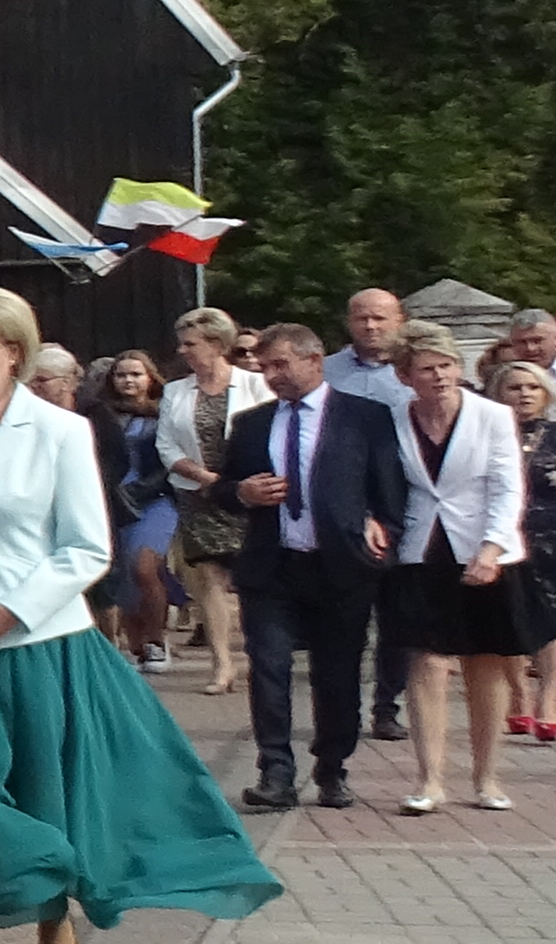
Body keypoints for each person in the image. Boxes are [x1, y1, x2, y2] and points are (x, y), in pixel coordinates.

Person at [0, 289, 280, 944]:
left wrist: (11, 610)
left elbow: (85, 548)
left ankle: (53, 919)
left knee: (41, 786)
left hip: (31, 634)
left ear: (16, 352)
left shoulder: (60, 432)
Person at [228, 319, 402, 811]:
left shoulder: (364, 417)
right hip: (273, 567)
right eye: (264, 368)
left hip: (341, 567)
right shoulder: (252, 423)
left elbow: (389, 490)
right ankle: (276, 772)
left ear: (314, 360)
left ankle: (332, 766)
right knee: (268, 668)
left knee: (338, 674)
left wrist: (381, 529)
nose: (272, 376)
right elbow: (224, 488)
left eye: (281, 364)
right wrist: (241, 492)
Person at [379, 320, 527, 817]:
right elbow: (378, 483)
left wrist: (491, 548)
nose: (439, 376)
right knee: (424, 663)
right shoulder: (394, 420)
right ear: (405, 376)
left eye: (446, 366)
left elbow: (509, 488)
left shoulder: (492, 416)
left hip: (482, 548)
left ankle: (486, 778)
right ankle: (429, 780)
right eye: (426, 369)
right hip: (420, 551)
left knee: (484, 665)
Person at [328, 287, 417, 741]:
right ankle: (344, 704)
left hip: (409, 498)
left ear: (399, 320)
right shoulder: (328, 372)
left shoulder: (417, 371)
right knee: (349, 613)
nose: (371, 326)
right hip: (350, 504)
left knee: (398, 614)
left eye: (381, 318)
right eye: (362, 318)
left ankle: (389, 704)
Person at [496, 360, 556, 745]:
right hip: (505, 536)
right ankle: (517, 694)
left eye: (532, 388)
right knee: (509, 620)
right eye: (515, 388)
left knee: (553, 623)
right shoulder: (490, 432)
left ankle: (547, 703)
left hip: (555, 534)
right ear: (499, 393)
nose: (524, 395)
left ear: (545, 393)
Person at [158, 307, 253, 691]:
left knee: (252, 578)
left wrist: (240, 483)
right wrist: (201, 476)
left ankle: (259, 655)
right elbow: (165, 442)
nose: (183, 351)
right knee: (209, 578)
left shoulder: (254, 385)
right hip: (198, 493)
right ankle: (222, 663)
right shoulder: (175, 391)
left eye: (190, 344)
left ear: (216, 344)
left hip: (249, 493)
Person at [85, 350, 177, 666]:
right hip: (111, 499)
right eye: (121, 374)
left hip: (154, 499)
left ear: (150, 378)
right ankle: (135, 645)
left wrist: (146, 487)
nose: (128, 380)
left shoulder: (165, 412)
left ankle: (156, 640)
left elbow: (172, 458)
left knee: (144, 568)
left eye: (136, 374)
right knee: (121, 574)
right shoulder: (100, 413)